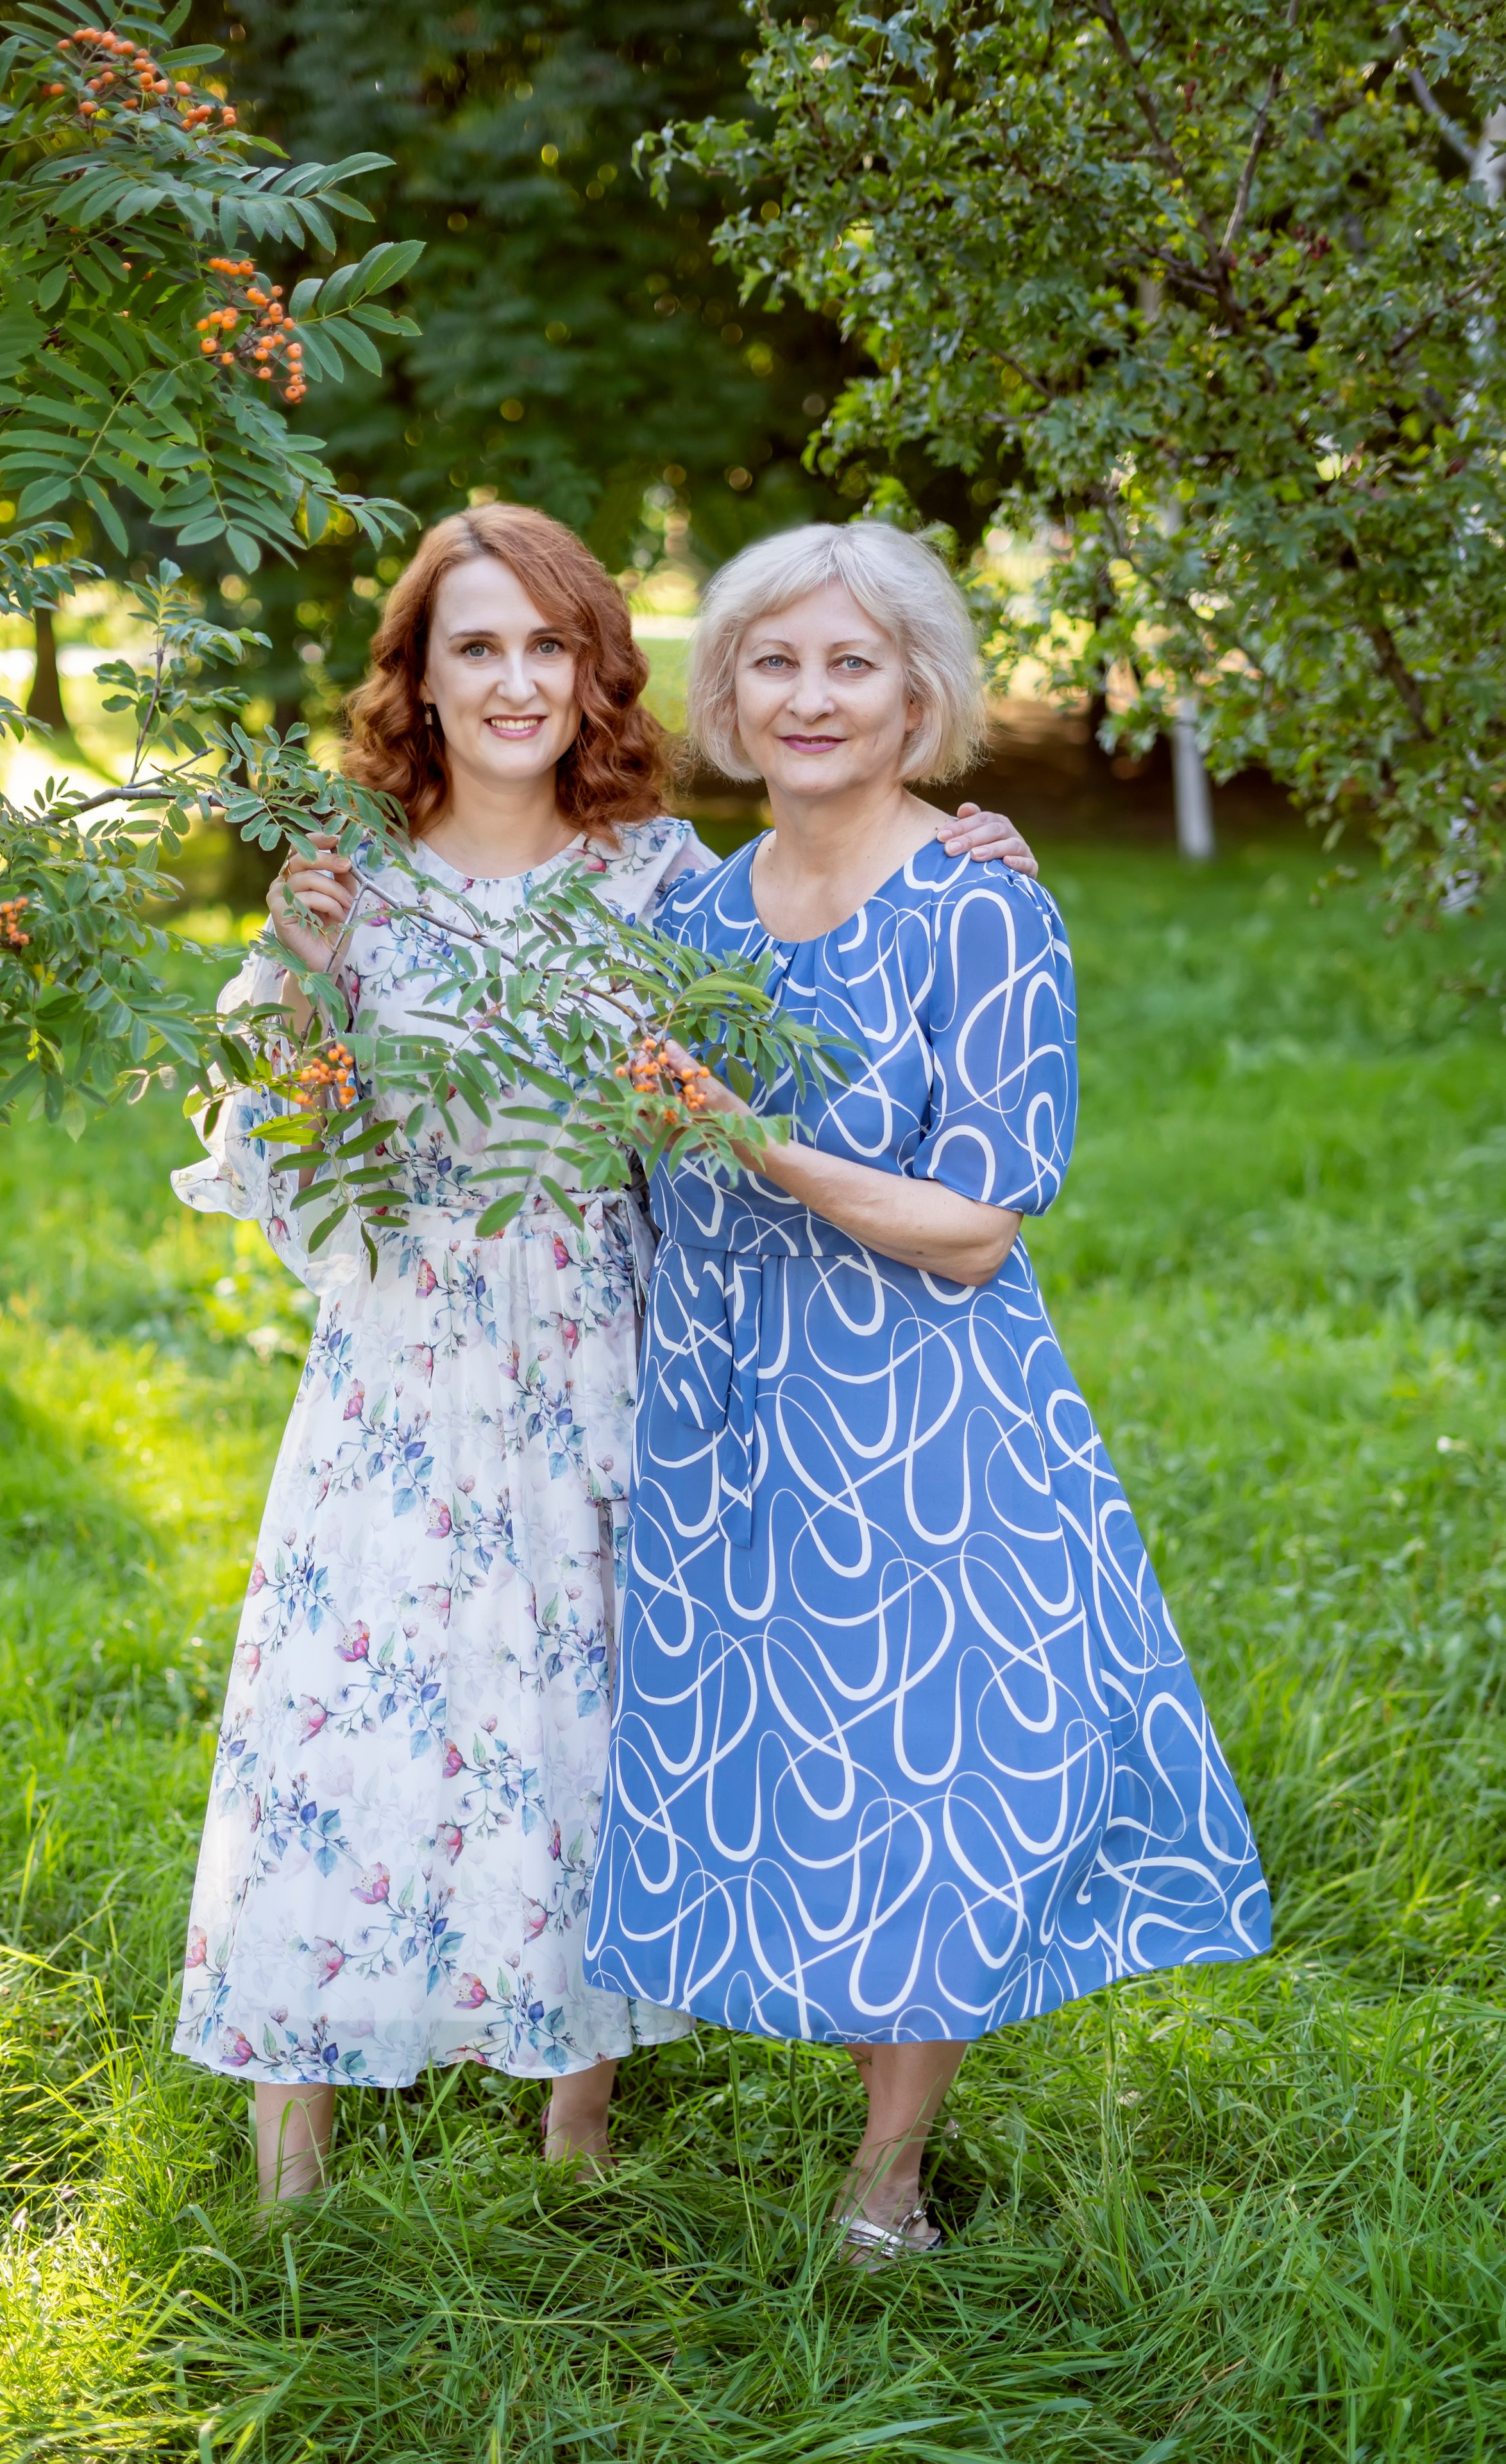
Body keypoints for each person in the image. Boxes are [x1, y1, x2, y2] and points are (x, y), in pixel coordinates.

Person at [170, 502, 1040, 2204]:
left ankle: (579, 2120)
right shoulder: (348, 881)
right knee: (345, 1706)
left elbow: (808, 973)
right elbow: (279, 1150)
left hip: (602, 1353)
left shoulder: (663, 887)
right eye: (475, 646)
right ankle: (292, 2151)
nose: (514, 680)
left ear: (593, 676)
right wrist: (299, 974)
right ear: (418, 678)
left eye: (547, 647)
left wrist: (963, 848)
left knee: (584, 1717)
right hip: (404, 1363)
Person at [582, 521, 1271, 2264]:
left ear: (918, 695)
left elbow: (974, 1226)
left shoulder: (983, 902)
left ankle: (885, 2181)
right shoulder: (689, 913)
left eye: (853, 664)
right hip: (728, 1409)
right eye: (775, 663)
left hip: (923, 1422)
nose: (811, 697)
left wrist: (751, 1137)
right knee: (796, 1759)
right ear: (728, 692)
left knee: (933, 1771)